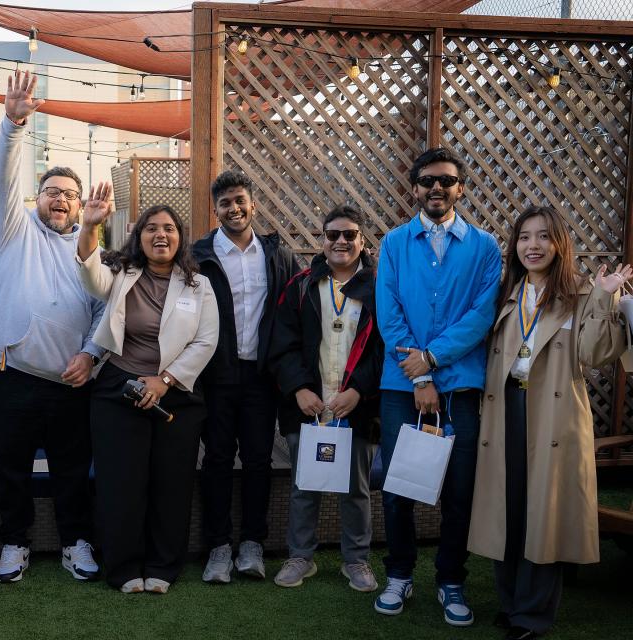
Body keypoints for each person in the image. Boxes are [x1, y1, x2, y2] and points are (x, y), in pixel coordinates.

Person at [468, 206, 631, 640]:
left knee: (543, 515)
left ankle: (533, 615)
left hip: (552, 420)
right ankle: (510, 603)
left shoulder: (578, 294)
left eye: (543, 237)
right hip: (505, 412)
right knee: (509, 510)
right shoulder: (505, 292)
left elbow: (596, 354)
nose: (533, 246)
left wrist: (606, 296)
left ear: (560, 244)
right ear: (515, 244)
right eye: (524, 237)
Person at [0, 70, 104, 583]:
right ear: (37, 198)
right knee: (11, 469)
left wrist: (90, 354)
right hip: (10, 375)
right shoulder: (12, 230)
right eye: (51, 190)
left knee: (74, 470)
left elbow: (101, 312)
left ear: (82, 203)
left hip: (71, 380)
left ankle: (75, 542)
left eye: (70, 193)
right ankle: (14, 543)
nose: (61, 199)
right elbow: (3, 178)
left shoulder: (92, 248)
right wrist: (13, 124)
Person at [374, 148, 502, 626]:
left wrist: (433, 359)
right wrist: (421, 373)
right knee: (397, 486)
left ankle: (451, 580)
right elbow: (389, 313)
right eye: (427, 180)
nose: (436, 188)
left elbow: (481, 317)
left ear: (460, 188)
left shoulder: (485, 247)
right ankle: (400, 573)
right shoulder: (393, 244)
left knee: (459, 490)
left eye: (446, 181)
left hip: (462, 386)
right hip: (401, 385)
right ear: (414, 188)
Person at [77, 202, 219, 594]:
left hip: (177, 395)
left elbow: (207, 341)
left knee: (171, 483)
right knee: (121, 483)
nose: (161, 235)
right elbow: (90, 275)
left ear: (180, 237)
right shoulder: (122, 274)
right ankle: (123, 568)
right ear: (138, 237)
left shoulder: (199, 285)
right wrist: (90, 226)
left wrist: (165, 380)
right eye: (151, 228)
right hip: (118, 390)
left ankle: (163, 566)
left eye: (169, 228)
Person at [267, 205, 383, 591]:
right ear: (322, 240)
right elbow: (282, 345)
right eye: (333, 234)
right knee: (305, 487)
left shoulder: (381, 289)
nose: (341, 242)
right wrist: (299, 388)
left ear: (362, 241)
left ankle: (357, 561)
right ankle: (300, 557)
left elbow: (383, 349)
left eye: (349, 235)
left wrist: (359, 390)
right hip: (310, 408)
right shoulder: (300, 286)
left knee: (357, 490)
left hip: (356, 407)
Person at [191, 170, 298, 582]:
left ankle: (252, 543)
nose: (233, 208)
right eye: (225, 203)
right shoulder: (199, 254)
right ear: (214, 209)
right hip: (215, 375)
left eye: (240, 200)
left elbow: (289, 314)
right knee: (216, 458)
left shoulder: (276, 254)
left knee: (258, 459)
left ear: (252, 204)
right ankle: (218, 547)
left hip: (261, 377)